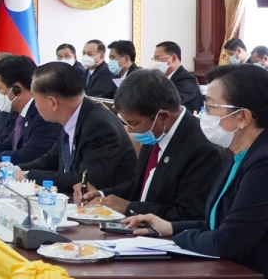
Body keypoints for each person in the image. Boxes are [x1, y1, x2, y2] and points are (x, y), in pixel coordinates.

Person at [123, 64, 268, 279]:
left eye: (211, 106)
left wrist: (176, 239)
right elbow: (218, 222)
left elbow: (228, 240)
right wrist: (169, 227)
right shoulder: (239, 154)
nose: (203, 115)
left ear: (243, 117)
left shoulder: (262, 163)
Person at [72, 69, 221, 222]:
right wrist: (101, 195)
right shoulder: (156, 132)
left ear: (163, 116)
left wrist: (129, 208)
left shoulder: (203, 149)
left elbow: (189, 214)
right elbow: (141, 185)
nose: (130, 130)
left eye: (134, 123)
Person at [12, 61, 137, 192]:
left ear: (52, 102)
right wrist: (17, 169)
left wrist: (27, 176)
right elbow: (51, 160)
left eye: (36, 100)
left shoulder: (100, 126)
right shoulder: (71, 114)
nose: (35, 105)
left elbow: (84, 181)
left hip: (103, 202)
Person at [151, 41, 202, 114]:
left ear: (173, 58)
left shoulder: (187, 80)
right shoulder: (160, 79)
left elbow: (171, 103)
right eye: (155, 59)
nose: (156, 62)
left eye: (159, 58)